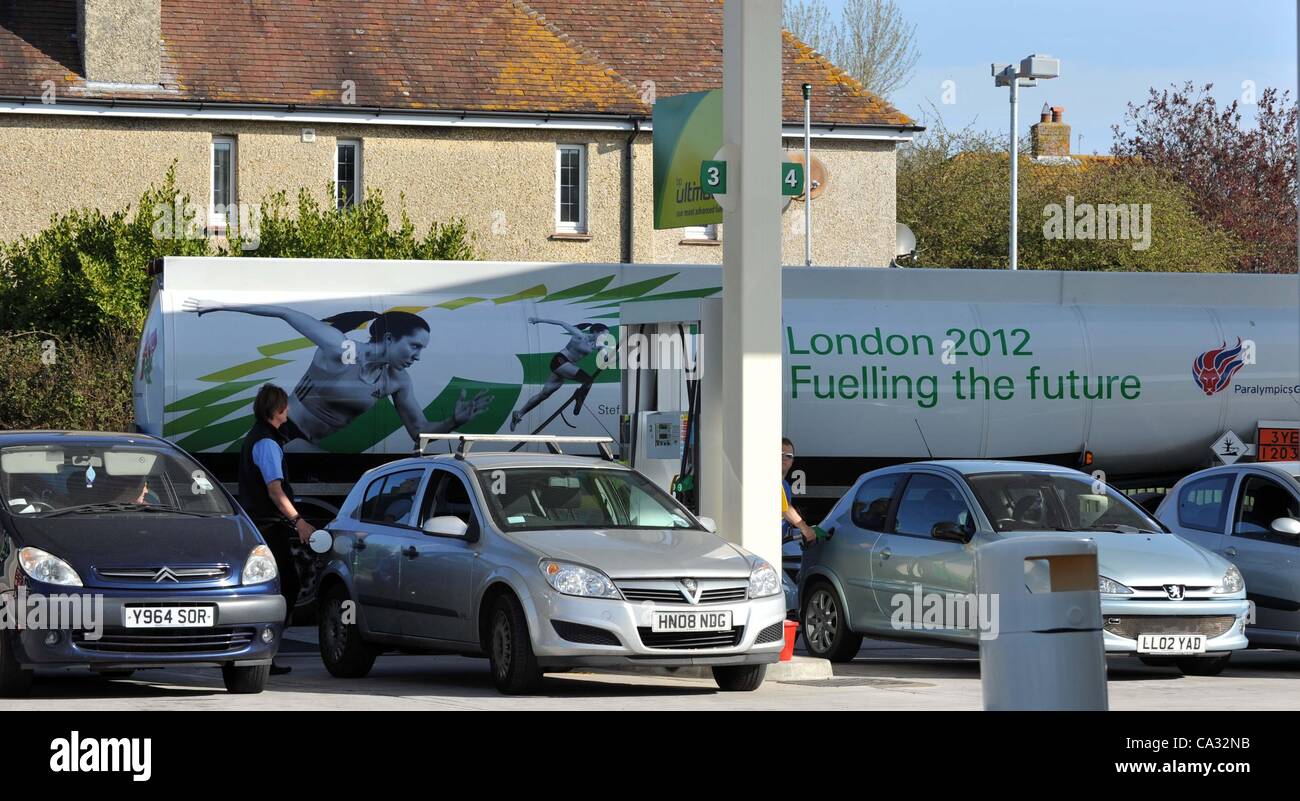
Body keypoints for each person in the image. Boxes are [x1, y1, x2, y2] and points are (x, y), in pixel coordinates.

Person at [184, 300, 492, 446]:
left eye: (422, 350)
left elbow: (418, 432)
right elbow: (286, 312)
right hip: (285, 432)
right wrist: (219, 305)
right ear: (388, 339)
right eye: (414, 347)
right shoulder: (340, 348)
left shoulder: (396, 381)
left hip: (309, 444)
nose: (417, 356)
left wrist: (453, 421)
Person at [238, 384, 316, 676]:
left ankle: (264, 652)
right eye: (286, 406)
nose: (289, 411)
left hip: (262, 524)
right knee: (286, 587)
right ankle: (266, 651)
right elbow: (275, 490)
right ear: (278, 410)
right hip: (269, 526)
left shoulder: (258, 437)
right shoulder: (267, 443)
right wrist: (299, 521)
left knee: (278, 586)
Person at [509, 318, 609, 431]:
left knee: (544, 394)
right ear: (596, 332)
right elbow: (561, 323)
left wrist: (606, 356)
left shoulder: (596, 344)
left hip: (566, 367)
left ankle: (518, 414)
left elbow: (603, 352)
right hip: (560, 361)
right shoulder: (579, 335)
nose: (605, 338)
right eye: (604, 335)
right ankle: (579, 399)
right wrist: (539, 320)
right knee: (588, 380)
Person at [781, 437, 826, 544]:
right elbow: (784, 507)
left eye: (788, 456)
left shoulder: (785, 485)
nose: (784, 458)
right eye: (780, 454)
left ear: (792, 460)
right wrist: (804, 528)